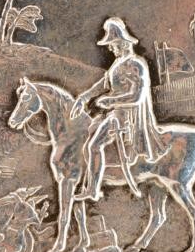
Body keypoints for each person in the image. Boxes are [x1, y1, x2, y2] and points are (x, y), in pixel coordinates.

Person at [72, 17, 168, 202]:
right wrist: (84, 97)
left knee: (93, 146)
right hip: (116, 113)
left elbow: (137, 96)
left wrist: (111, 100)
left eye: (112, 44)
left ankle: (92, 189)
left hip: (127, 117)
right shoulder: (117, 63)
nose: (110, 48)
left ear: (123, 43)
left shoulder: (136, 64)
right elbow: (103, 84)